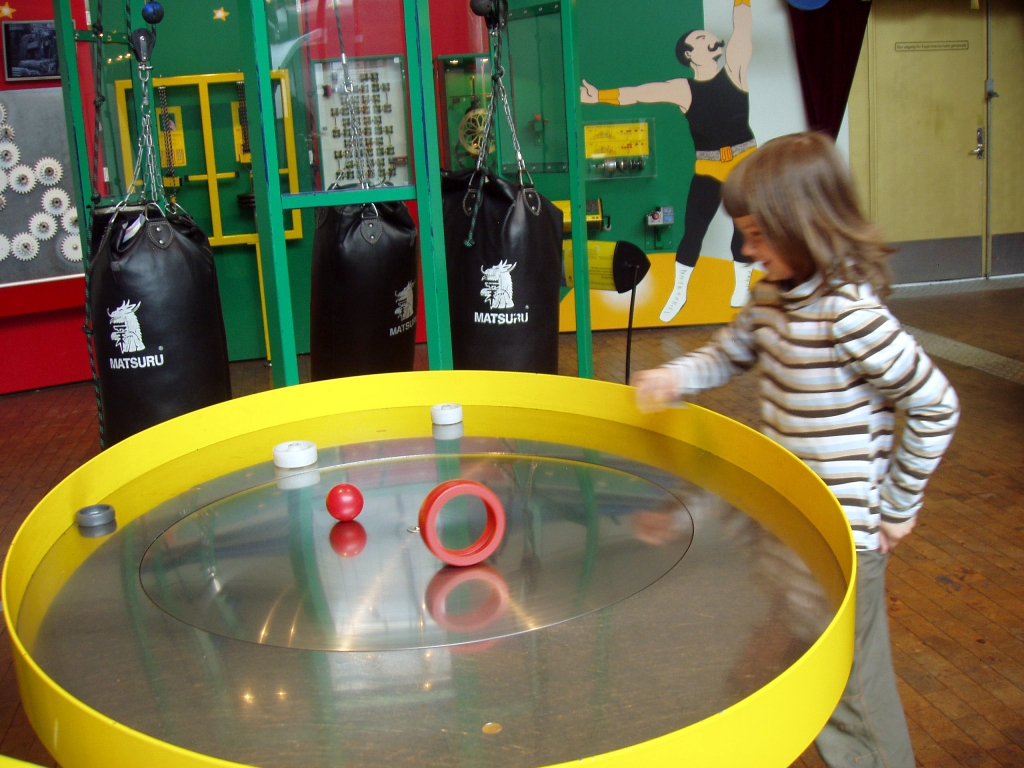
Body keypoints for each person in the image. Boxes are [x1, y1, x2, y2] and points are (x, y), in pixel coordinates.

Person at [634, 132, 960, 768]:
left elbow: (935, 405)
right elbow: (730, 352)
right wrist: (676, 377)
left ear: (805, 226)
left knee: (852, 695)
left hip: (844, 538)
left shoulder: (849, 316)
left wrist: (898, 505)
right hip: (790, 522)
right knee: (789, 654)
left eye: (759, 236)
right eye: (744, 236)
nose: (748, 251)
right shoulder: (769, 297)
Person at [581, 0, 757, 319]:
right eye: (701, 38)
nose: (711, 39)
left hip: (745, 165)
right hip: (708, 168)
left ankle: (741, 287)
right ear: (689, 55)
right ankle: (679, 292)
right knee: (693, 232)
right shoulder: (682, 90)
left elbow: (742, 26)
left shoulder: (735, 69)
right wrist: (599, 97)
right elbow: (639, 93)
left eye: (709, 36)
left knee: (744, 228)